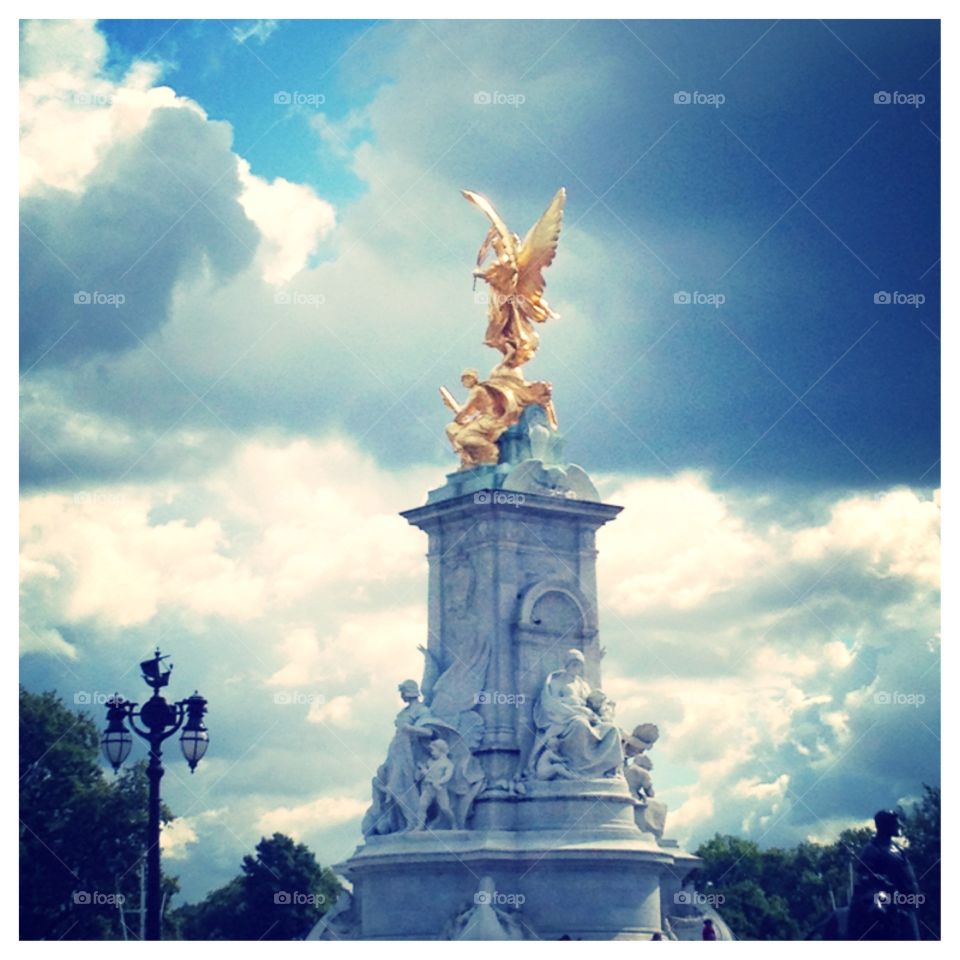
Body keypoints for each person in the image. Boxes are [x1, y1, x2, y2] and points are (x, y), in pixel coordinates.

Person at [528, 649, 623, 779]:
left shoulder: (582, 684)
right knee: (580, 723)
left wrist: (600, 708)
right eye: (574, 664)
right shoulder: (556, 682)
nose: (577, 668)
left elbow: (590, 703)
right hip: (564, 719)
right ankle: (578, 769)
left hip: (588, 719)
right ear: (566, 665)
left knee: (612, 730)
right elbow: (551, 705)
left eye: (579, 665)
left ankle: (606, 770)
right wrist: (578, 711)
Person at [847, 810, 921, 940]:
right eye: (895, 823)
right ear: (885, 826)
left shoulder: (898, 850)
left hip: (906, 900)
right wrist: (878, 880)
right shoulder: (872, 848)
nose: (899, 825)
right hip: (884, 900)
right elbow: (863, 875)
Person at [414, 739, 455, 830]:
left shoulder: (448, 763)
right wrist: (422, 771)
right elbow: (425, 774)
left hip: (440, 789)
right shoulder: (430, 762)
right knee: (422, 806)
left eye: (433, 750)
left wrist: (439, 782)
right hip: (428, 788)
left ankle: (454, 824)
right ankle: (420, 825)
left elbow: (448, 776)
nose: (431, 753)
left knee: (445, 808)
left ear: (441, 750)